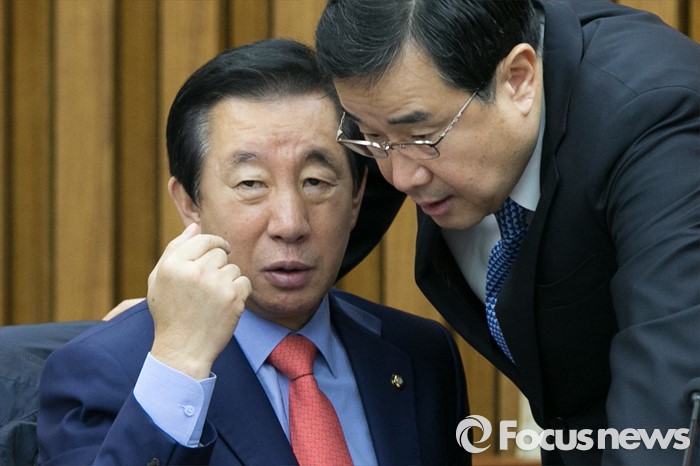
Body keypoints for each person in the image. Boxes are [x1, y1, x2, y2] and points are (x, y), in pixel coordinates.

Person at [37, 38, 470, 465]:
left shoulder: (422, 356)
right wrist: (179, 365)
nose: (290, 224)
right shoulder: (109, 371)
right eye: (251, 184)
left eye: (315, 182)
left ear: (356, 196)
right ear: (189, 203)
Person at [314, 0, 700, 464]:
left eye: (421, 138)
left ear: (518, 79)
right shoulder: (403, 110)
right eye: (371, 138)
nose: (398, 177)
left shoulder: (655, 121)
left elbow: (669, 396)